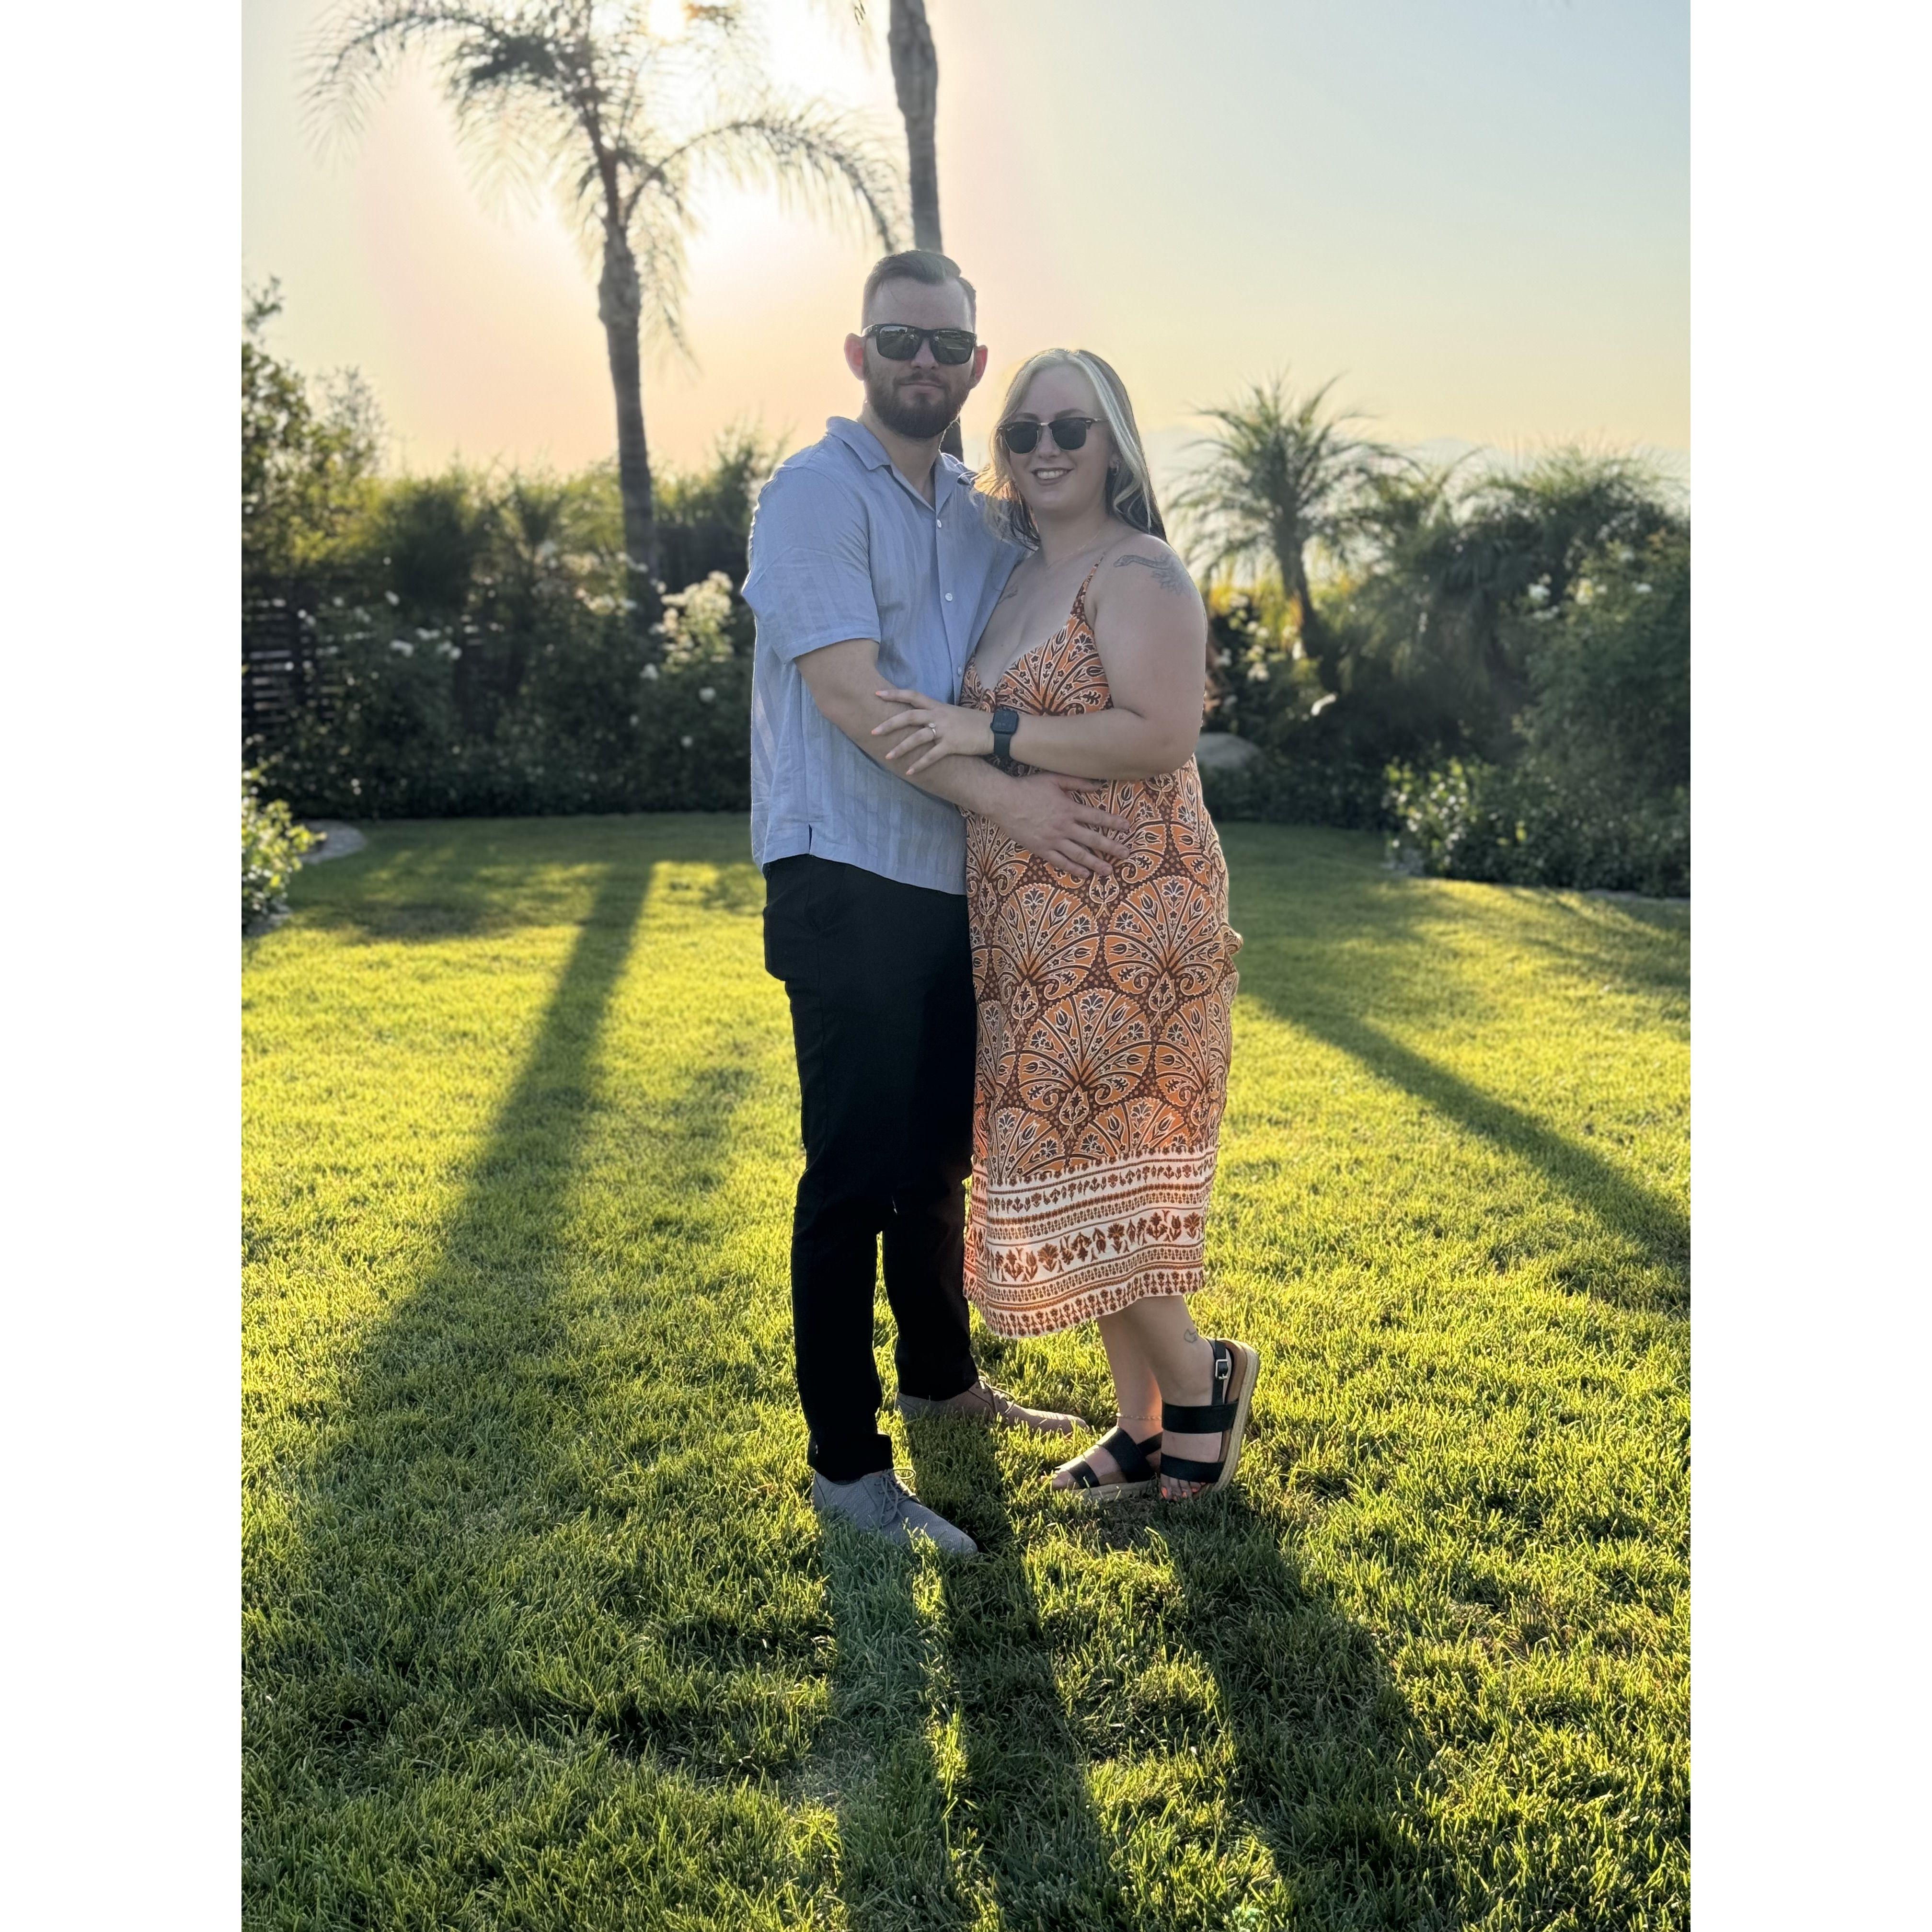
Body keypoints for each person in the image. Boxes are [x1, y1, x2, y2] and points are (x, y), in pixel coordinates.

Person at [743, 254, 1135, 1554]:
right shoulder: (815, 494)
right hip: (845, 870)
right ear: (860, 354)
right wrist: (1016, 804)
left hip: (957, 883)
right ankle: (849, 1470)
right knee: (853, 1175)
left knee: (934, 1166)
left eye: (949, 345)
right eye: (902, 340)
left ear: (975, 364)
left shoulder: (980, 515)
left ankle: (940, 1381)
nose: (926, 362)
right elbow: (855, 697)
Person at [870, 348, 1261, 1503]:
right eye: (1024, 431)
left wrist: (989, 732)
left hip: (1130, 911)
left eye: (1071, 430)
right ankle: (1142, 1429)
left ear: (1114, 445)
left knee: (1098, 1159)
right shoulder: (1019, 578)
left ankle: (1200, 1379)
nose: (1045, 449)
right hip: (1030, 928)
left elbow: (1160, 733)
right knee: (1085, 1163)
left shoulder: (1138, 569)